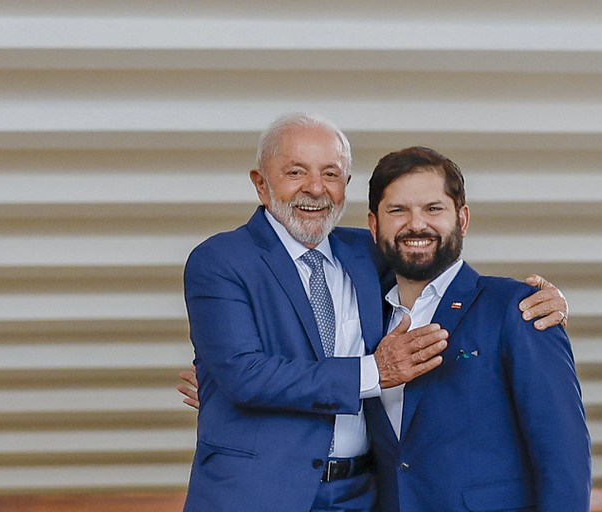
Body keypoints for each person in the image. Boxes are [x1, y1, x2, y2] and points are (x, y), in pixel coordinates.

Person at [181, 112, 569, 512]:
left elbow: (439, 272)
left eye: (330, 174)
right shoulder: (220, 260)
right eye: (296, 172)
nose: (315, 188)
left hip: (361, 495)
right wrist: (374, 372)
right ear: (261, 183)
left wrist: (540, 300)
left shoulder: (367, 254)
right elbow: (244, 374)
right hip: (256, 494)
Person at [364, 146, 591, 511]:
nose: (416, 224)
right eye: (398, 210)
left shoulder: (518, 308)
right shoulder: (364, 315)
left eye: (433, 208)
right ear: (374, 225)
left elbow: (563, 458)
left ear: (462, 219)